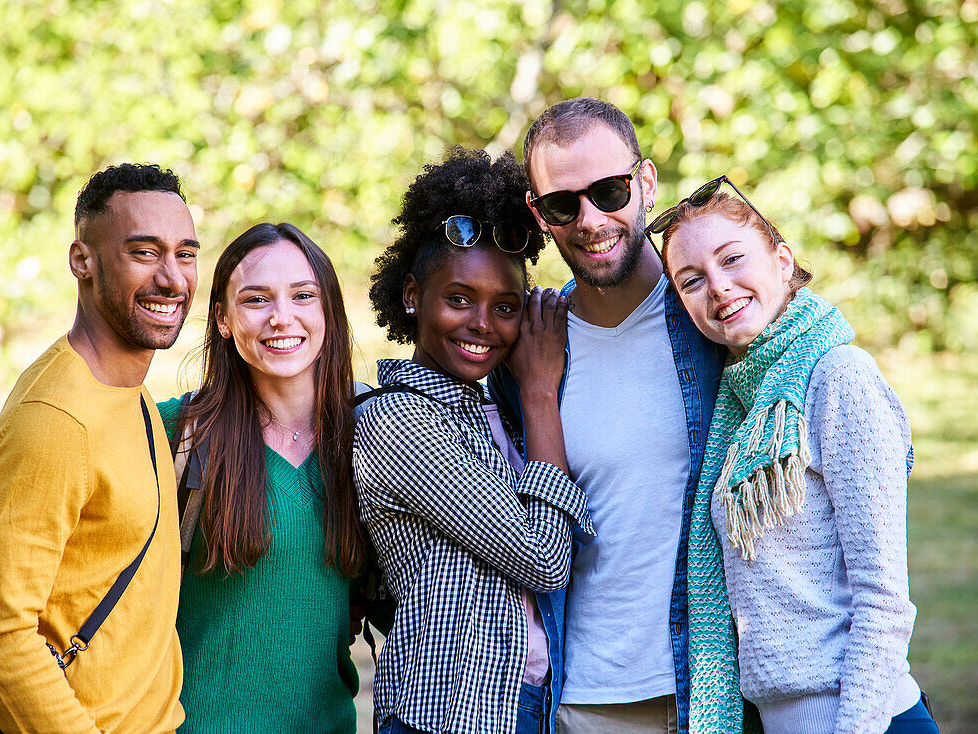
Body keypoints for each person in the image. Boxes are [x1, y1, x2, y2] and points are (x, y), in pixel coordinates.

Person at [655, 180, 937, 734]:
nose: (718, 287)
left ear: (783, 261)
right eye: (692, 281)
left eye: (732, 259)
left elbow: (884, 603)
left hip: (864, 719)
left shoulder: (839, 378)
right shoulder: (738, 408)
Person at [489, 97, 726, 733]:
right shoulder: (526, 349)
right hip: (574, 700)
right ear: (540, 215)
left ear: (645, 181)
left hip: (707, 690)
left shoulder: (714, 321)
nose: (591, 220)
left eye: (610, 191)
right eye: (565, 204)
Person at [354, 147, 595, 734]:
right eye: (458, 299)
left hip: (529, 707)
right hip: (445, 718)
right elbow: (543, 559)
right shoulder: (395, 423)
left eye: (506, 307)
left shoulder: (495, 414)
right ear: (413, 296)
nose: (483, 324)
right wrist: (541, 389)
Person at [0, 163, 197, 732]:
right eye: (144, 253)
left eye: (185, 254)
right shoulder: (55, 421)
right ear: (81, 260)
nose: (172, 279)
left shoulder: (126, 391)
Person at [157, 222, 365, 733]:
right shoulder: (175, 433)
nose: (281, 317)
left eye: (302, 295)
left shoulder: (374, 433)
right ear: (223, 320)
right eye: (256, 299)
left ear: (327, 311)